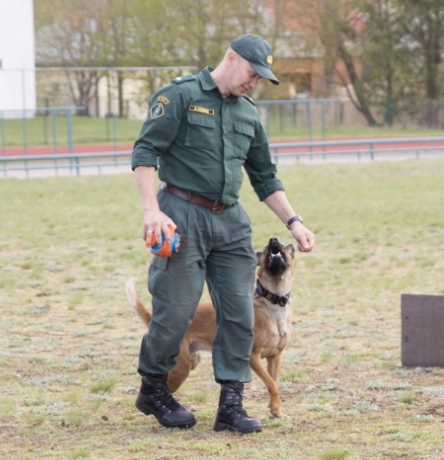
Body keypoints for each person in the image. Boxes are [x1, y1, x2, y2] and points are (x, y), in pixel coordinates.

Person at [129, 34, 317, 433]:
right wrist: (152, 211)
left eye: (261, 78)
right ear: (231, 59)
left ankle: (231, 404)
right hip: (181, 213)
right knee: (175, 312)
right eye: (251, 74)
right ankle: (153, 388)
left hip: (231, 221)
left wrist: (294, 222)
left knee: (240, 313)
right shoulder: (179, 96)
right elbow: (145, 153)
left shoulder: (248, 114)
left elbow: (265, 177)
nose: (254, 83)